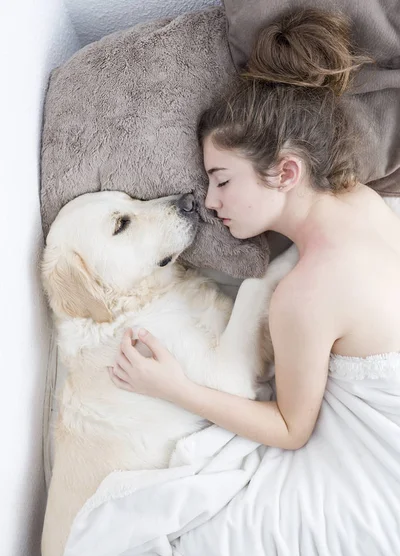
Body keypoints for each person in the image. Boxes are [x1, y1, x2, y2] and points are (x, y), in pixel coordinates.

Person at [109, 8, 400, 451]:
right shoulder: (364, 199)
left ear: (285, 172)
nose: (209, 201)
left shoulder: (303, 297)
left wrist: (173, 387)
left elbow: (290, 430)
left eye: (222, 180)